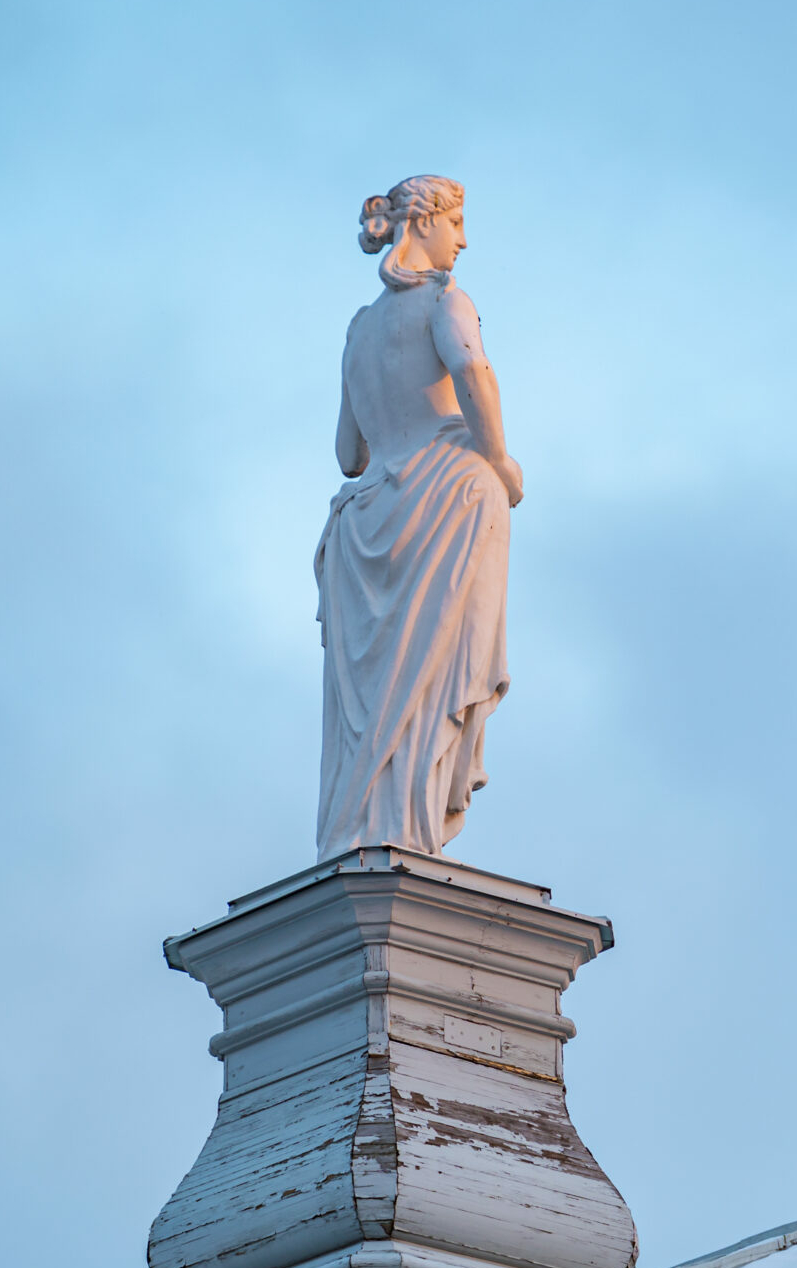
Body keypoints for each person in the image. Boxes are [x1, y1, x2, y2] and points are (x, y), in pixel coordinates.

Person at [314, 175, 524, 860]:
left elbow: (349, 453)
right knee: (429, 684)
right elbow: (474, 373)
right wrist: (498, 460)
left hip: (362, 519)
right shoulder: (446, 302)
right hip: (444, 501)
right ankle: (411, 827)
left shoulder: (358, 328)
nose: (463, 239)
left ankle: (366, 829)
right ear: (425, 222)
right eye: (457, 221)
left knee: (370, 711)